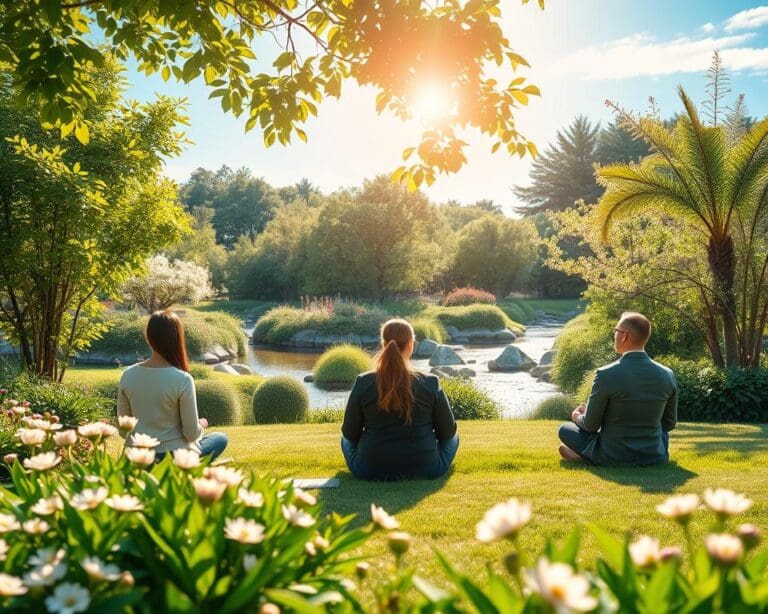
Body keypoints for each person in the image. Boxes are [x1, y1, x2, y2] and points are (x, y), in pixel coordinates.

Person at [341, 319, 459, 480]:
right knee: (454, 438)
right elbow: (447, 432)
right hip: (426, 468)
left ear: (383, 343)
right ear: (411, 344)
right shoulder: (430, 383)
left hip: (369, 470)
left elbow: (349, 433)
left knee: (345, 441)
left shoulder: (364, 381)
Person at [558, 312, 677, 466]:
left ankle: (590, 458)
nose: (614, 335)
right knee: (660, 432)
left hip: (614, 455)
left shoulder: (606, 374)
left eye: (616, 331)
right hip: (654, 456)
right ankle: (589, 456)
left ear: (624, 336)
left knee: (564, 429)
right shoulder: (667, 374)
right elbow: (669, 424)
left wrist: (577, 416)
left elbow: (591, 426)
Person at [117, 310, 228, 460]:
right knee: (220, 438)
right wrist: (201, 424)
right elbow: (191, 434)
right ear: (177, 338)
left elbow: (124, 431)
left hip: (138, 456)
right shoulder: (182, 379)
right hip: (174, 457)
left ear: (148, 337)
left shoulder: (128, 375)